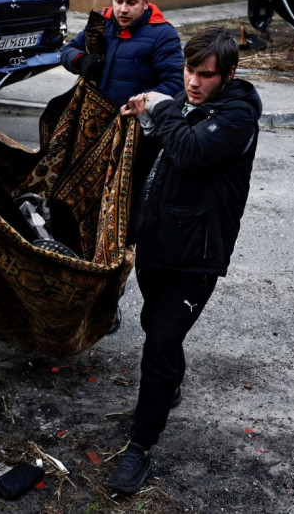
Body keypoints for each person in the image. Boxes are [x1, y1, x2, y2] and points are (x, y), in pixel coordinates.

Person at [110, 27, 262, 494]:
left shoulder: (239, 115)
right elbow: (168, 150)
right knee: (153, 321)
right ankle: (169, 386)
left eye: (205, 75)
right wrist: (146, 121)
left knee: (158, 344)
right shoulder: (187, 101)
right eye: (188, 71)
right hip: (158, 245)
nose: (193, 82)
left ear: (228, 74)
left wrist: (164, 108)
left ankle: (140, 447)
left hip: (197, 256)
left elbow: (193, 151)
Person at [60, 0, 183, 106]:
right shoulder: (100, 22)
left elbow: (176, 82)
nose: (123, 9)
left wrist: (140, 104)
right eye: (118, 1)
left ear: (146, 2)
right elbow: (67, 51)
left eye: (131, 2)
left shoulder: (163, 34)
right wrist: (81, 60)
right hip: (91, 117)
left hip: (133, 121)